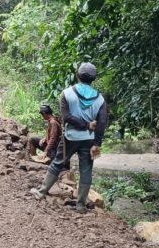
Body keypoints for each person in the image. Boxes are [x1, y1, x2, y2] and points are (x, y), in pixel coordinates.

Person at [29, 63, 108, 213]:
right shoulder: (100, 99)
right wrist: (97, 143)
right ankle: (80, 205)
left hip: (70, 138)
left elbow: (66, 117)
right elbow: (102, 123)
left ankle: (41, 192)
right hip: (89, 140)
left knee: (58, 162)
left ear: (77, 75)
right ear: (93, 79)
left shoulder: (67, 93)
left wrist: (84, 124)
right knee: (86, 170)